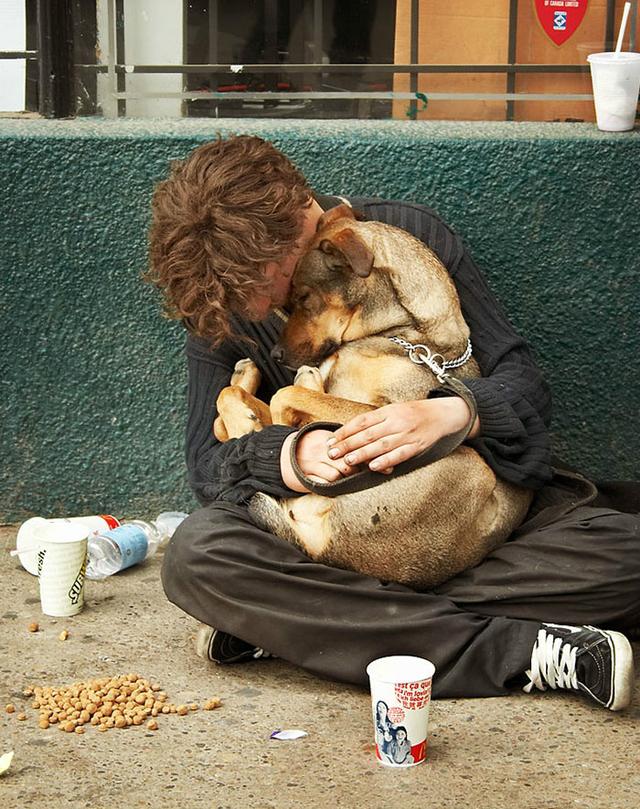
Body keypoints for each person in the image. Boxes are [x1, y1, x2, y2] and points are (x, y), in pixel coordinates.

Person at [147, 134, 640, 712]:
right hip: (331, 530)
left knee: (629, 552)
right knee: (197, 556)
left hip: (462, 506)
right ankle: (527, 653)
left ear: (297, 230)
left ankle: (306, 625)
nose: (251, 310)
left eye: (262, 283)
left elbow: (524, 382)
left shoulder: (406, 240)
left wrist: (455, 411)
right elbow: (208, 469)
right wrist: (285, 457)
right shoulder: (223, 297)